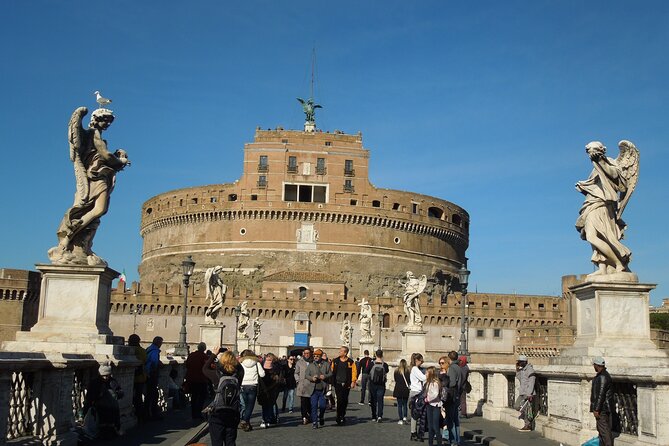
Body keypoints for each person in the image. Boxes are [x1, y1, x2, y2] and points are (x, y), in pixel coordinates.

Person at [575, 141, 636, 276]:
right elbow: (596, 184)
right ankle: (602, 267)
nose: (590, 155)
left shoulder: (609, 162)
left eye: (592, 151)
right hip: (592, 203)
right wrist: (584, 185)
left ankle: (618, 264)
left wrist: (600, 161)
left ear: (600, 151)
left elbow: (616, 177)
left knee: (594, 235)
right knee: (596, 235)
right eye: (588, 152)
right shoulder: (594, 166)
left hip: (602, 204)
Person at [205, 350, 244, 446]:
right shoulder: (238, 375)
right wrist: (233, 358)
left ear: (221, 361)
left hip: (217, 413)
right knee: (230, 441)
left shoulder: (216, 375)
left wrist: (214, 354)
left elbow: (204, 368)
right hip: (233, 412)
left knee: (216, 442)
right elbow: (241, 369)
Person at [83, 362, 124, 439]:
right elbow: (89, 397)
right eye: (103, 376)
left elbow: (119, 391)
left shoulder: (113, 382)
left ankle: (111, 433)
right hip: (100, 405)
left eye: (107, 375)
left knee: (111, 421)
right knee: (102, 421)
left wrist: (118, 394)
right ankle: (103, 434)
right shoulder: (95, 382)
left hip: (111, 406)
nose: (105, 378)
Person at [305, 348, 332, 428]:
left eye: (317, 356)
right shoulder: (311, 365)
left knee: (323, 406)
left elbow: (330, 373)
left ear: (321, 356)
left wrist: (325, 376)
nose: (315, 357)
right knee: (314, 406)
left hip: (323, 389)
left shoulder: (326, 364)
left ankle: (321, 416)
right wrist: (312, 378)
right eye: (314, 356)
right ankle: (314, 422)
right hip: (313, 389)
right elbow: (306, 375)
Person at [590, 357, 615, 446]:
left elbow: (601, 394)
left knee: (604, 431)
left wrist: (596, 409)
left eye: (594, 365)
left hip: (602, 409)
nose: (593, 367)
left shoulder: (603, 377)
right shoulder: (602, 375)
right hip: (604, 408)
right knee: (601, 431)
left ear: (597, 365)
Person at [239, 349, 265, 431]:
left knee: (245, 405)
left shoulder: (241, 363)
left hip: (243, 386)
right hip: (252, 386)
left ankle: (247, 424)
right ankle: (245, 420)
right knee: (250, 406)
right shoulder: (256, 363)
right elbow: (262, 374)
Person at [331, 346, 357, 425]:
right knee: (339, 400)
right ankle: (339, 416)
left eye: (341, 351)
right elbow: (331, 371)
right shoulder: (335, 361)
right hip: (338, 383)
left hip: (347, 383)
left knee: (345, 400)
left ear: (345, 353)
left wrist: (353, 381)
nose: (339, 352)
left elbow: (354, 372)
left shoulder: (350, 362)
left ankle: (343, 414)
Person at [258, 353, 284, 428]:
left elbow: (279, 375)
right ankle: (266, 419)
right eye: (267, 357)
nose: (268, 358)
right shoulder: (262, 364)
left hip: (272, 387)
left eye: (269, 357)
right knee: (266, 404)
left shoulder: (276, 365)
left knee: (269, 404)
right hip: (265, 387)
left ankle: (267, 419)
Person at [185, 342, 209, 420]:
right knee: (202, 397)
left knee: (194, 397)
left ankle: (193, 413)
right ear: (204, 349)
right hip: (201, 379)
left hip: (191, 378)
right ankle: (198, 413)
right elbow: (208, 367)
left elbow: (187, 365)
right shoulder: (204, 356)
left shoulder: (191, 355)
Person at [441, 352, 461, 445]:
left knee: (450, 420)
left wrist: (445, 378)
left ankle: (453, 440)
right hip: (457, 395)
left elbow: (452, 383)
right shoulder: (459, 367)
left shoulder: (452, 368)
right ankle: (457, 440)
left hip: (451, 396)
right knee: (455, 420)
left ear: (449, 359)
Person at [127, 334, 147, 422]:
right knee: (138, 398)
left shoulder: (127, 350)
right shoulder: (142, 351)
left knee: (130, 398)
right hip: (140, 378)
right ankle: (140, 416)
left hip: (129, 378)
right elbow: (144, 361)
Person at [514, 354, 536, 432]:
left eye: (520, 362)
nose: (519, 363)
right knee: (517, 406)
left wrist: (529, 394)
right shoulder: (522, 370)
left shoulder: (530, 370)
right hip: (522, 392)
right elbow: (520, 379)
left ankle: (528, 425)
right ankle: (527, 421)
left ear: (524, 362)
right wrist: (517, 370)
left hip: (528, 393)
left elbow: (531, 382)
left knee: (527, 409)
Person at [409, 352, 427, 441]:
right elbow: (423, 378)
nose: (422, 362)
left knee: (418, 413)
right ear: (417, 360)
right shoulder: (415, 369)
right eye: (421, 360)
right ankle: (413, 432)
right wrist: (429, 374)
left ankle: (416, 432)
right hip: (416, 393)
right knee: (415, 413)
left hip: (417, 392)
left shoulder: (415, 369)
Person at [145, 336, 163, 420]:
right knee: (153, 395)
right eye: (161, 343)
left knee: (149, 395)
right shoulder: (155, 351)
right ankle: (151, 414)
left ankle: (147, 413)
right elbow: (154, 363)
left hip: (147, 374)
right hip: (152, 375)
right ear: (158, 343)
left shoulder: (149, 349)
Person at [368, 349, 389, 422]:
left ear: (376, 355)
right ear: (382, 355)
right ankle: (380, 416)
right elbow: (386, 371)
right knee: (380, 400)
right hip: (381, 385)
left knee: (373, 400)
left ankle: (374, 416)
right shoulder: (385, 365)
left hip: (373, 384)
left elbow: (368, 371)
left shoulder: (371, 363)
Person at [424, 366, 443, 446]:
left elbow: (435, 394)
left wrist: (427, 399)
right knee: (430, 426)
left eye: (427, 372)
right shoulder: (428, 382)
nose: (425, 374)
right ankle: (430, 443)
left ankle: (439, 443)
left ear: (431, 373)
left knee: (436, 427)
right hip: (429, 406)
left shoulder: (436, 383)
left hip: (435, 406)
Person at [295, 347, 314, 425]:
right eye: (305, 353)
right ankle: (304, 417)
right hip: (302, 385)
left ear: (310, 354)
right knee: (303, 402)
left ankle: (309, 414)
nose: (306, 355)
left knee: (310, 402)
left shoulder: (313, 362)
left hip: (312, 385)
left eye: (308, 353)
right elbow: (296, 372)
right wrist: (298, 380)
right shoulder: (299, 362)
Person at [393, 358, 411, 424]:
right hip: (405, 389)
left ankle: (400, 419)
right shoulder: (408, 371)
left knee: (399, 405)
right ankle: (405, 417)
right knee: (405, 404)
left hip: (398, 389)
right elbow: (409, 381)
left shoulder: (396, 371)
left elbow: (395, 379)